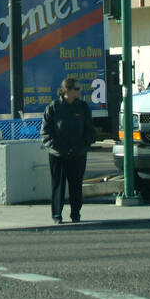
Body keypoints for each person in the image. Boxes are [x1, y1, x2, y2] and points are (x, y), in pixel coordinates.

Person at [41, 77, 96, 223]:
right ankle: (57, 215)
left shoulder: (83, 107)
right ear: (67, 90)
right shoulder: (53, 108)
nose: (79, 91)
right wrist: (58, 148)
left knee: (76, 185)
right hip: (58, 155)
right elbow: (45, 133)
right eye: (77, 89)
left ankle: (76, 213)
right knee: (58, 185)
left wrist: (83, 145)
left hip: (78, 154)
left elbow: (90, 130)